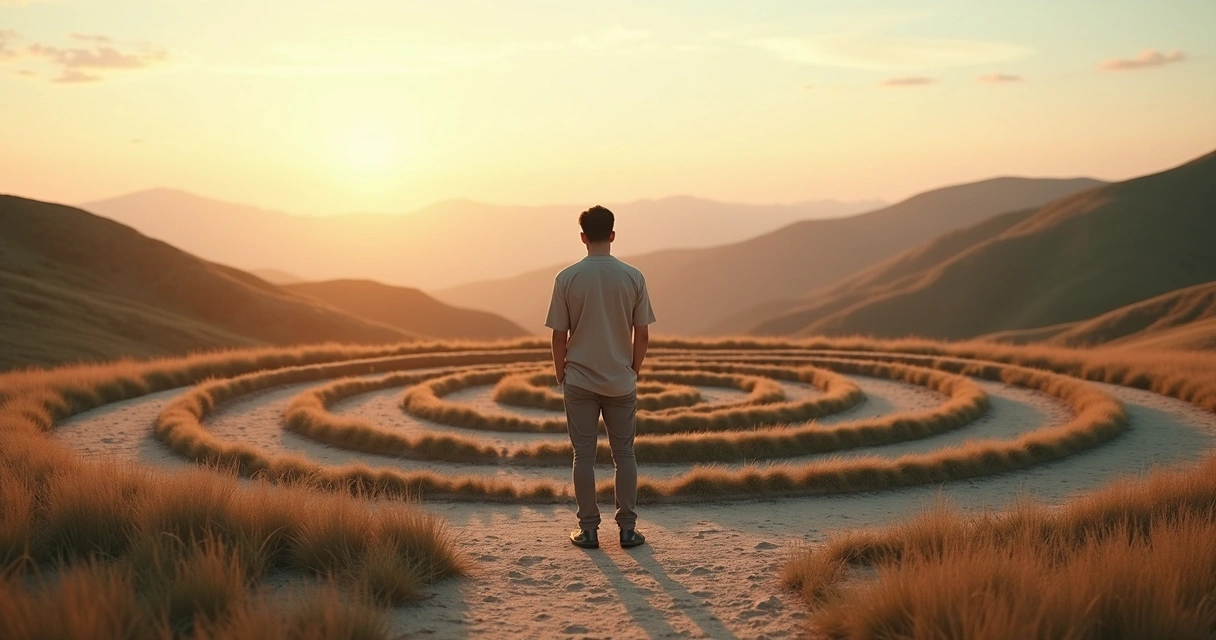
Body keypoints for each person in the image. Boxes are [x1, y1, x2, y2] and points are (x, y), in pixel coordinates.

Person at [545, 205, 656, 550]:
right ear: (612, 235)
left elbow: (558, 336)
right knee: (624, 454)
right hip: (621, 380)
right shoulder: (633, 277)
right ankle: (627, 530)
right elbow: (643, 333)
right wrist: (633, 370)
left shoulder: (566, 278)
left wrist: (561, 372)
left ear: (582, 237)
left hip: (579, 380)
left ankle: (589, 530)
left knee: (583, 456)